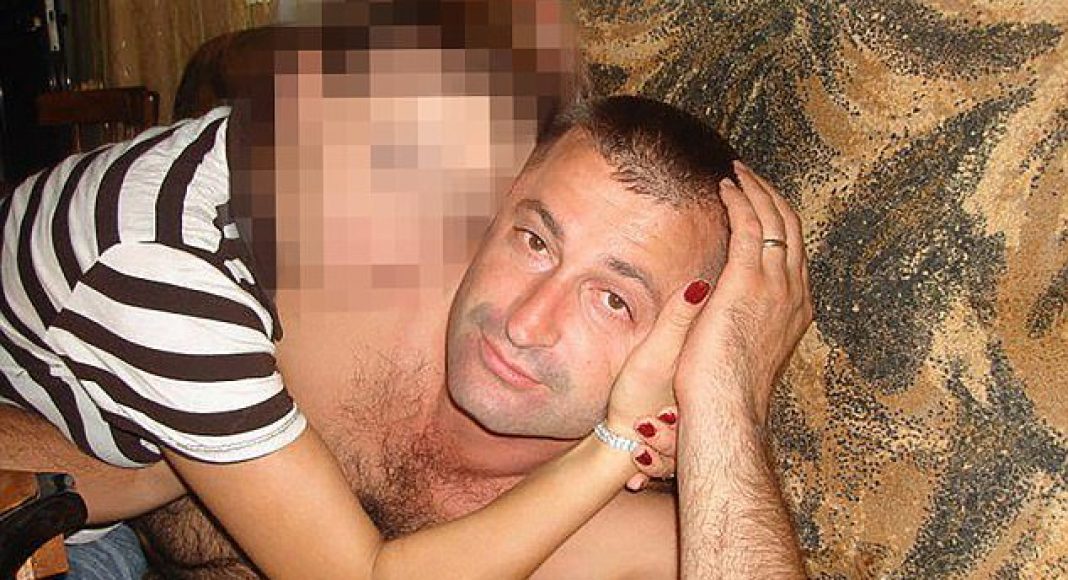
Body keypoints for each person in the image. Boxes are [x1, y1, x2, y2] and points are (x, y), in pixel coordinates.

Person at [2, 9, 812, 580]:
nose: (526, 323)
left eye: (613, 299)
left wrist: (724, 402)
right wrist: (612, 446)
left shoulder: (626, 502)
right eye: (535, 240)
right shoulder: (176, 272)